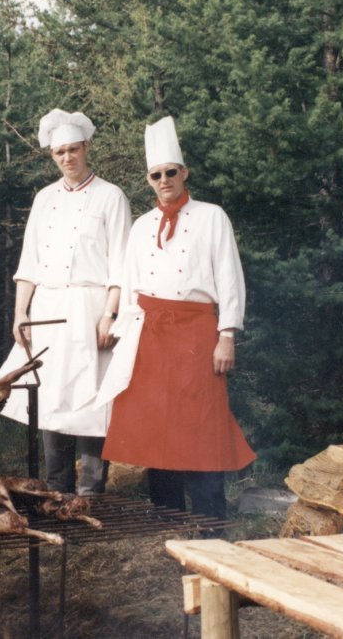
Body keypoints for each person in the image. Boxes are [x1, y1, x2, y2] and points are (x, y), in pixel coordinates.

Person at [98, 115, 255, 520]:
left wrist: (227, 335)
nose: (164, 180)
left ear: (184, 173)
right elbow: (131, 286)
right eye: (157, 175)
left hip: (197, 333)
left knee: (203, 426)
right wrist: (122, 334)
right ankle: (167, 520)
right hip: (149, 336)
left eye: (171, 172)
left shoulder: (212, 216)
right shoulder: (141, 226)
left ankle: (209, 523)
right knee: (157, 429)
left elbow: (230, 277)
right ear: (148, 180)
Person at [0, 109, 132, 495]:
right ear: (52, 156)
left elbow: (122, 265)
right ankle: (58, 491)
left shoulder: (111, 196)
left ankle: (91, 491)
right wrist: (20, 314)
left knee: (92, 398)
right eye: (60, 152)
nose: (67, 158)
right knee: (50, 396)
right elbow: (29, 264)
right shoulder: (44, 199)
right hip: (48, 309)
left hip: (91, 309)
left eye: (73, 149)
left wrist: (110, 315)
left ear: (86, 148)